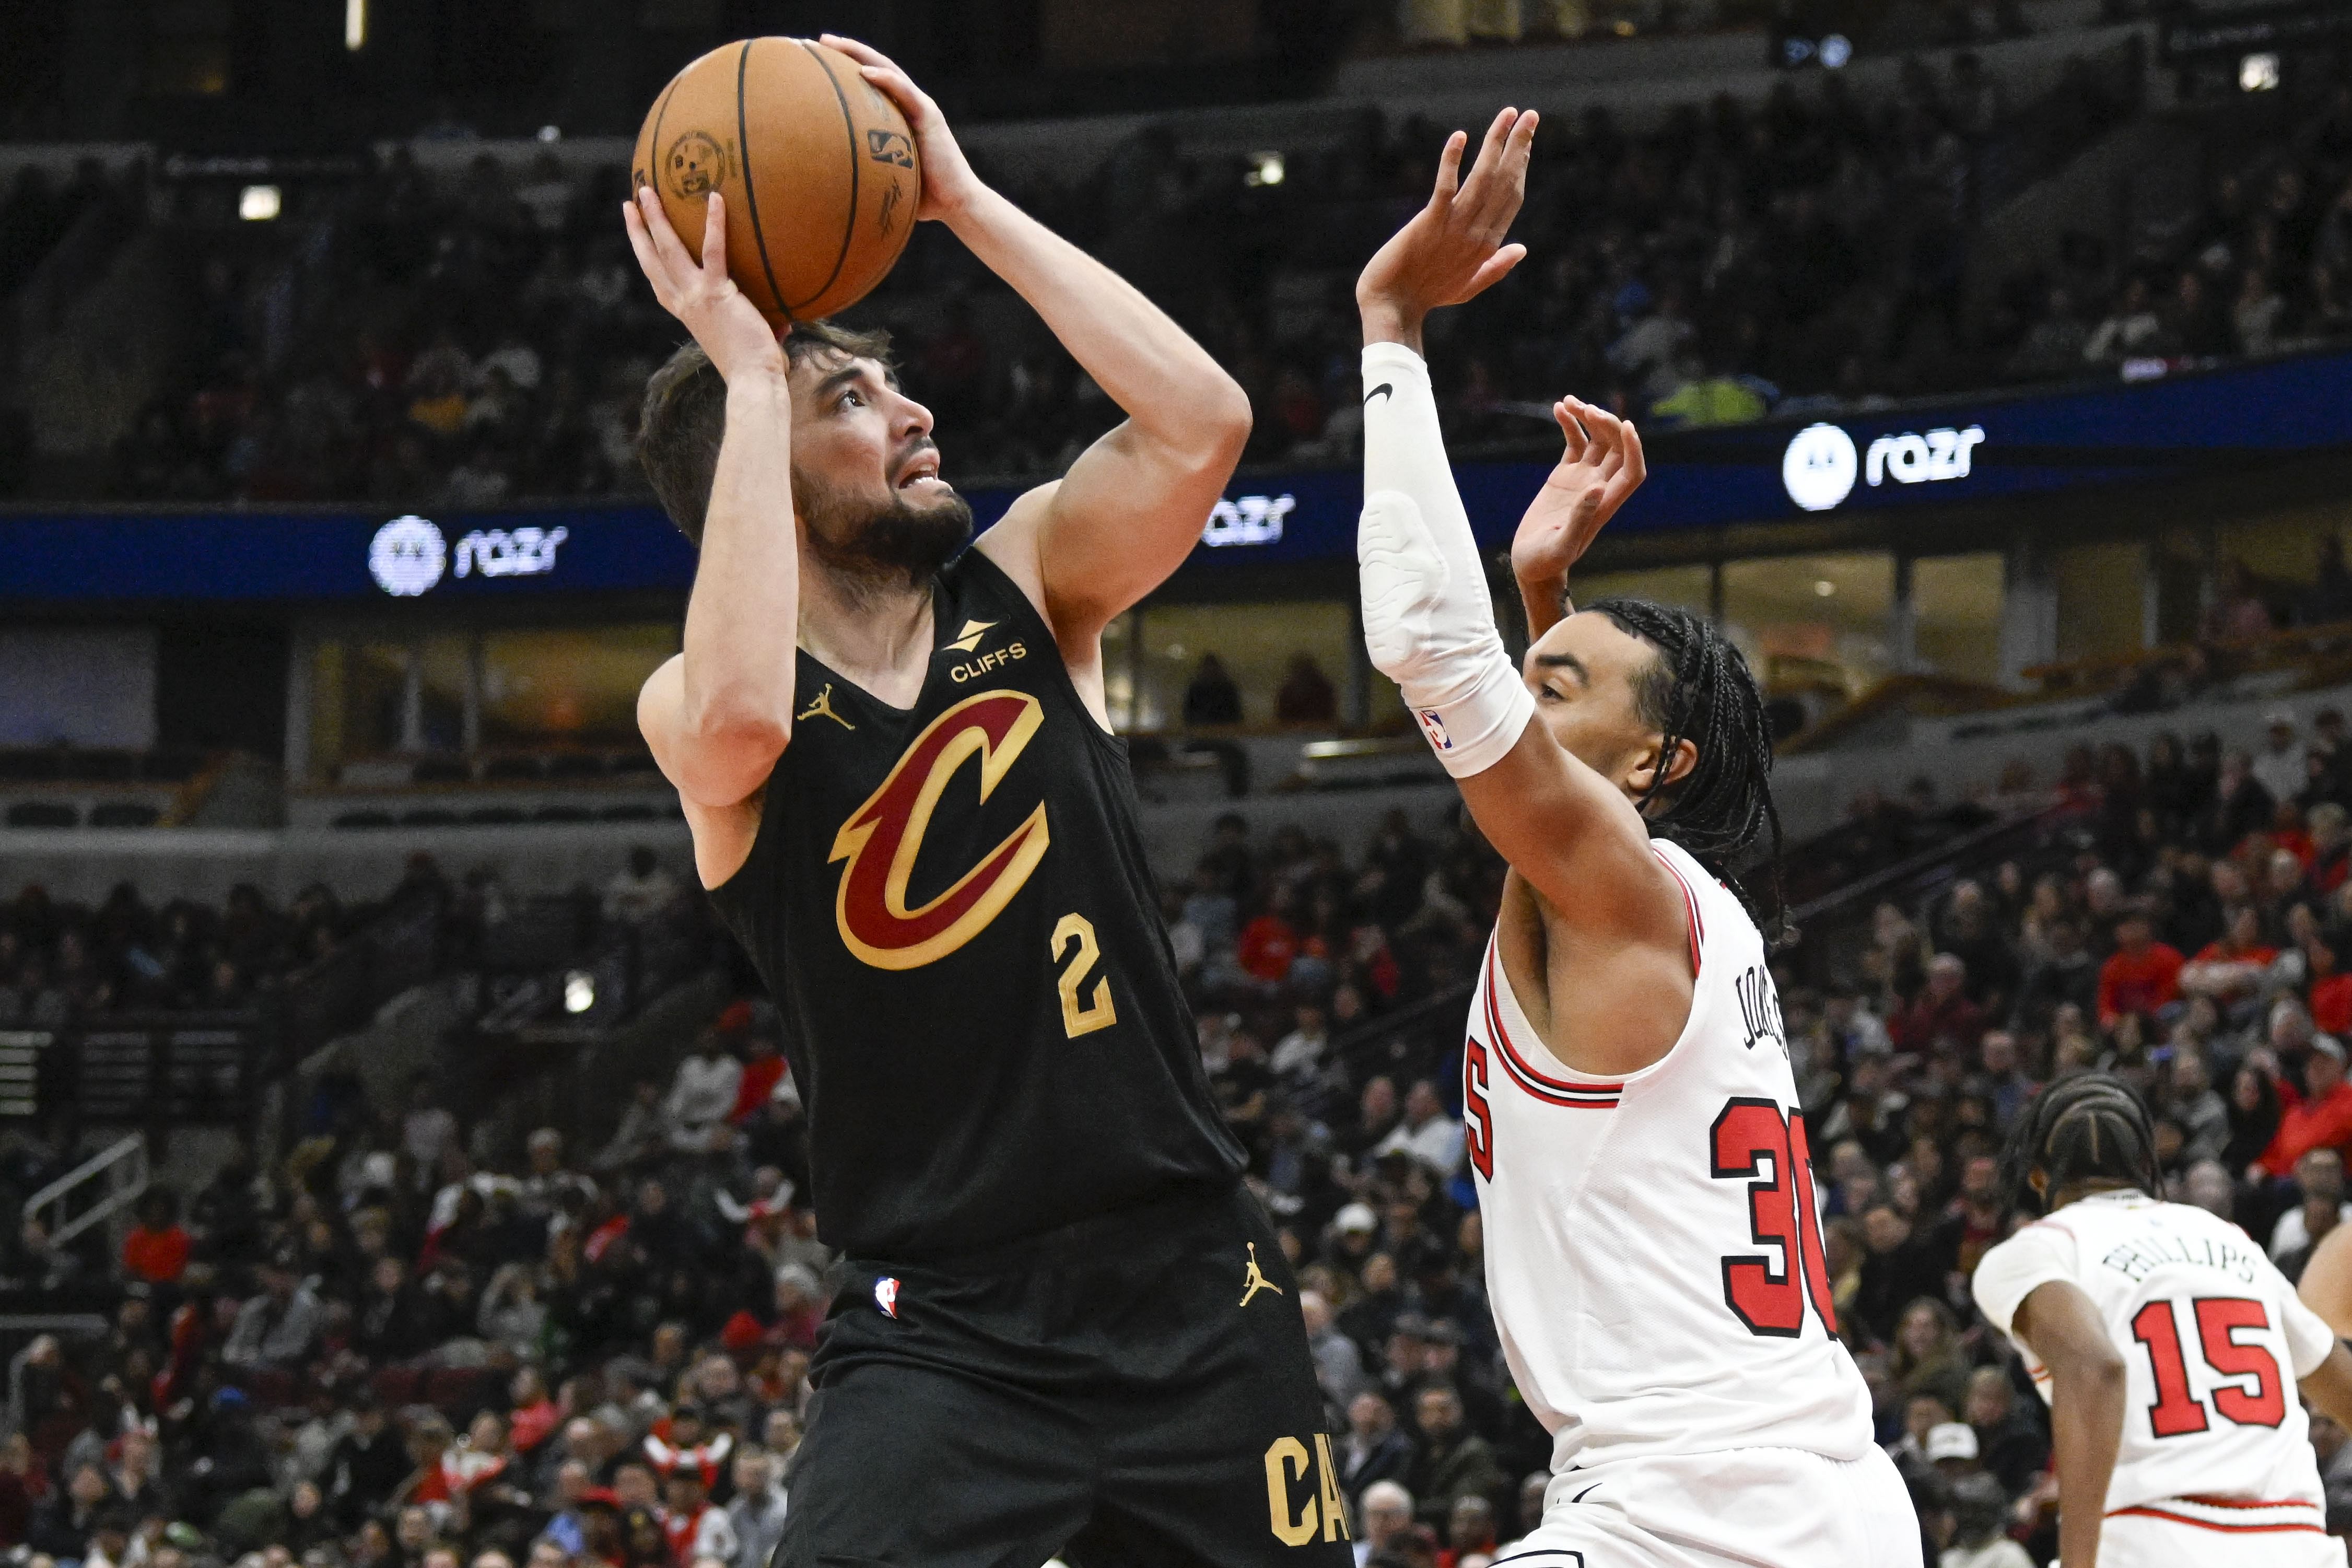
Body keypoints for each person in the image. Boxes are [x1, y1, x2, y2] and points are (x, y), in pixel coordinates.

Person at [622, 32, 1345, 1568]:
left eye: (896, 386)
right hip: (949, 1327)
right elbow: (748, 708)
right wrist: (751, 368)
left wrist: (960, 201)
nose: (911, 413)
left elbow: (1202, 425)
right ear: (757, 462)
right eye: (853, 400)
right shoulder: (698, 701)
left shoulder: (1024, 582)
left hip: (1191, 1280)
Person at [1350, 108, 1916, 1566]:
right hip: (1769, 1492)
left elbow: (1422, 639)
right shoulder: (1648, 900)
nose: (1526, 706)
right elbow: (1558, 789)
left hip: (1710, 1513)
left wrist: (1390, 321)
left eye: (1559, 686)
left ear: (1656, 757)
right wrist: (1547, 596)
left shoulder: (1626, 894)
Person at [1971, 1072, 2352, 1566]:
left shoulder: (2041, 1247)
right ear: (2148, 1165)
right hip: (2294, 1541)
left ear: (2038, 1176)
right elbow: (2339, 1382)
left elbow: (2095, 1369)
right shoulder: (2228, 1238)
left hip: (2155, 1541)